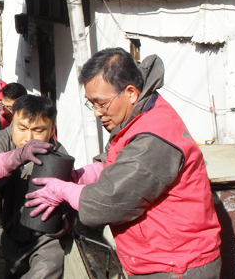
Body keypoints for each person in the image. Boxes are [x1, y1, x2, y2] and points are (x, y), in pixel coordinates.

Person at [24, 48, 222, 278]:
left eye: (102, 103)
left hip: (177, 265)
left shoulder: (154, 137)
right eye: (92, 104)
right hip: (154, 258)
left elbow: (108, 202)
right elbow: (116, 163)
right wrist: (81, 176)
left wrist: (64, 190)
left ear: (130, 93)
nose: (98, 113)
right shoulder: (134, 118)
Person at [0, 95, 69, 278]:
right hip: (11, 233)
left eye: (38, 130)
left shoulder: (58, 156)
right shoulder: (0, 139)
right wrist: (16, 157)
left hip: (46, 239)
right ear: (12, 124)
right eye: (22, 128)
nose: (29, 138)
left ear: (51, 130)